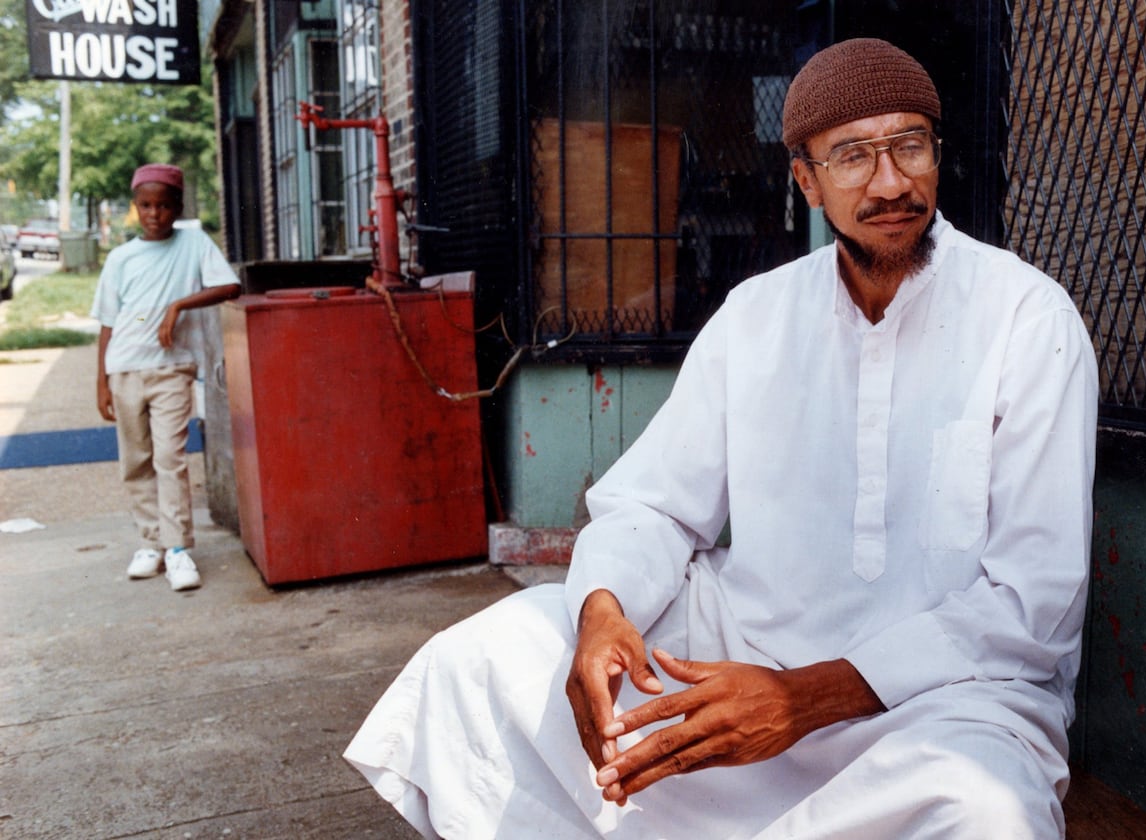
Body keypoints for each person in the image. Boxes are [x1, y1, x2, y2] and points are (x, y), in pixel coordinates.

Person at [345, 37, 1098, 839]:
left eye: (909, 146)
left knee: (988, 810)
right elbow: (658, 507)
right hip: (747, 651)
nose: (890, 182)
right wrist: (603, 609)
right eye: (852, 156)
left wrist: (801, 700)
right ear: (805, 180)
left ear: (937, 156)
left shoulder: (1027, 318)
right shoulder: (756, 317)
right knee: (490, 657)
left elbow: (1030, 602)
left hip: (942, 700)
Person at [92, 163, 240, 592]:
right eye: (145, 206)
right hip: (124, 368)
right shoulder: (121, 258)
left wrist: (177, 306)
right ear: (135, 208)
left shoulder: (193, 243)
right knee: (135, 461)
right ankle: (149, 543)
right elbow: (106, 322)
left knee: (170, 458)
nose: (154, 213)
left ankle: (177, 550)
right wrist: (101, 380)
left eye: (163, 205)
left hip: (172, 369)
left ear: (177, 206)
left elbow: (229, 287)